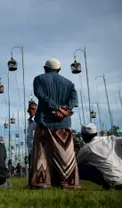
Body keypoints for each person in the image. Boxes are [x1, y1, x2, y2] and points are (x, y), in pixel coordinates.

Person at [30, 58, 80, 189]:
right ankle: (68, 183)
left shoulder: (38, 79)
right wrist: (63, 111)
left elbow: (39, 94)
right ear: (59, 69)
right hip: (63, 123)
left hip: (44, 121)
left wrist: (56, 107)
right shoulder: (69, 83)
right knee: (65, 155)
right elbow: (74, 100)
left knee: (41, 154)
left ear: (45, 68)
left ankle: (40, 184)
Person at [77, 123, 122, 189]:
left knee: (78, 167)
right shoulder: (111, 139)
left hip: (112, 181)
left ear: (84, 135)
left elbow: (76, 163)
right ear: (96, 133)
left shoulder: (86, 148)